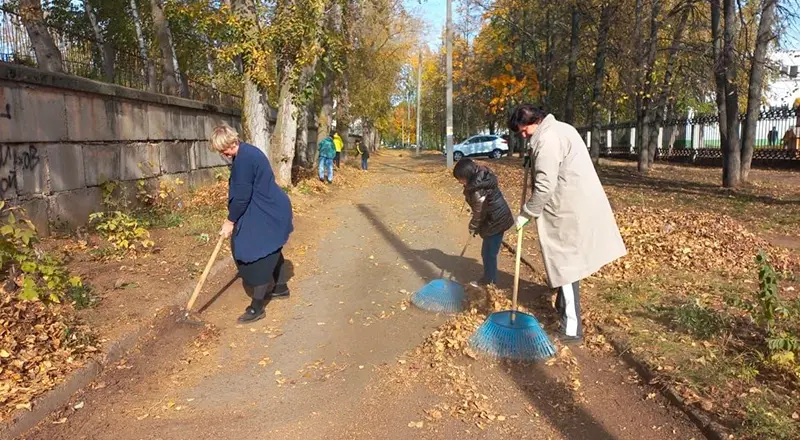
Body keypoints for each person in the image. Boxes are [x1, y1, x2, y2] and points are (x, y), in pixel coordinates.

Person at [508, 104, 627, 345]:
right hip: (576, 201)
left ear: (536, 120)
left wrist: (526, 213)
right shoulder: (559, 129)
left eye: (525, 131)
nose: (523, 136)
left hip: (567, 208)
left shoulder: (547, 140)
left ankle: (571, 328)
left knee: (565, 264)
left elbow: (544, 187)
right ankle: (563, 306)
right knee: (568, 262)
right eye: (520, 133)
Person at [210, 123, 294, 323]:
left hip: (269, 210)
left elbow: (241, 197)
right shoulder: (246, 152)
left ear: (232, 142)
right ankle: (281, 287)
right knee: (270, 246)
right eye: (222, 151)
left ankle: (257, 307)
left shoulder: (244, 160)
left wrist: (230, 221)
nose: (225, 154)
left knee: (254, 253)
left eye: (225, 149)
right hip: (269, 207)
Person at [453, 158, 514, 287]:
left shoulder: (477, 189)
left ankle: (490, 282)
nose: (459, 182)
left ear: (468, 176)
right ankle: (489, 279)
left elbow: (479, 212)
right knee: (486, 252)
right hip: (494, 218)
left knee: (489, 253)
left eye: (460, 178)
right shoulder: (481, 178)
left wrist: (473, 226)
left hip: (496, 220)